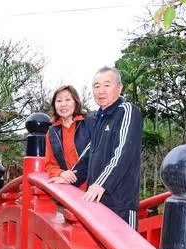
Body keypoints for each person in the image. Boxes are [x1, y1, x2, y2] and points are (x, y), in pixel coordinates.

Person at [74, 66, 143, 229]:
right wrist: (70, 175)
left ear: (119, 88)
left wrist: (101, 183)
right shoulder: (98, 119)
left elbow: (123, 152)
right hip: (97, 201)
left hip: (121, 204)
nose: (101, 91)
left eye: (107, 85)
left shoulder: (126, 111)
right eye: (96, 86)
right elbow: (89, 154)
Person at [44, 85, 90, 185]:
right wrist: (61, 173)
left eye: (68, 99)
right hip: (68, 190)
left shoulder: (89, 123)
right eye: (59, 101)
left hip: (92, 188)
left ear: (76, 102)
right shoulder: (52, 133)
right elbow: (49, 165)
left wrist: (75, 178)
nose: (63, 104)